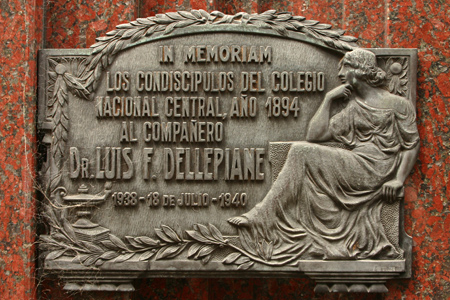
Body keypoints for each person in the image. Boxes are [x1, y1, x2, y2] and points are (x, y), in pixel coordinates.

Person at [228, 49, 419, 262]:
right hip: (356, 164)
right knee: (303, 152)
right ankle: (266, 217)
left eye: (345, 67)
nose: (340, 74)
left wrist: (398, 180)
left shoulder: (398, 104)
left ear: (359, 71)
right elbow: (314, 135)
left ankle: (262, 214)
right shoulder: (352, 109)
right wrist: (328, 99)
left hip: (376, 168)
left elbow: (411, 144)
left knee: (301, 152)